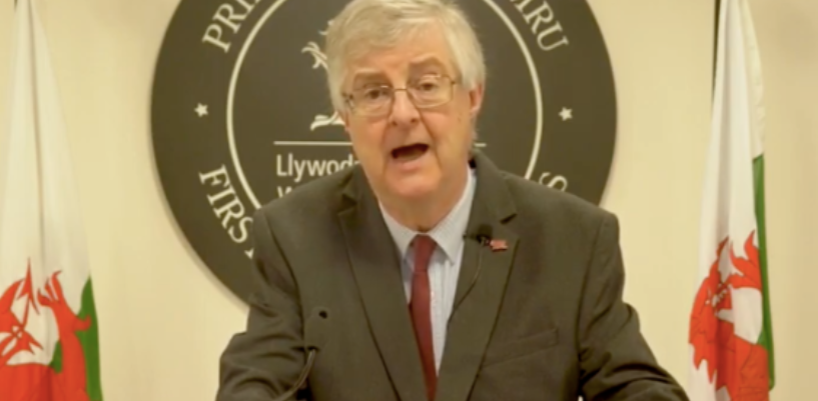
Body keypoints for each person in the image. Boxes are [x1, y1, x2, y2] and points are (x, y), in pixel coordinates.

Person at [216, 0, 688, 400]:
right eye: (374, 93)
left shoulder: (573, 239)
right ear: (344, 116)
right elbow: (256, 380)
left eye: (426, 85)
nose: (403, 114)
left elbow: (633, 385)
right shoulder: (295, 237)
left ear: (473, 96)